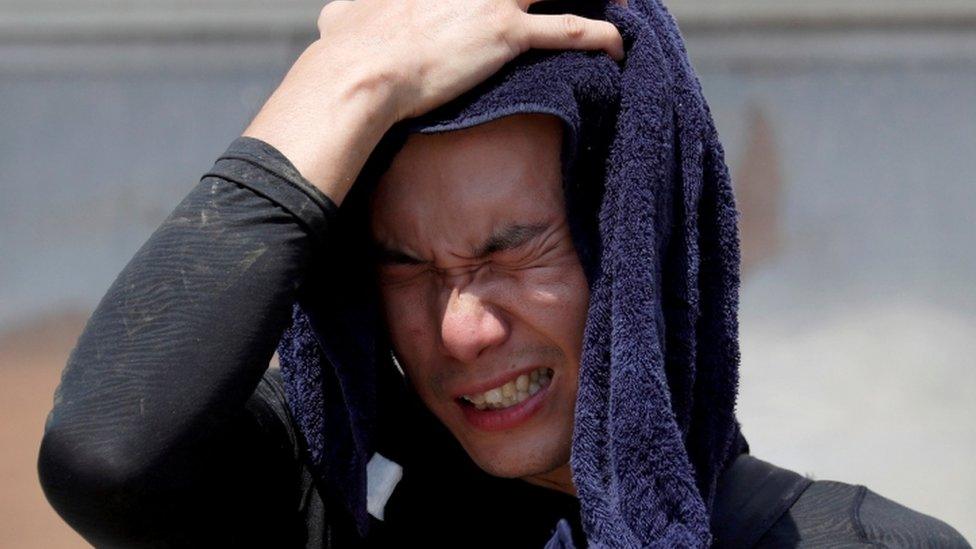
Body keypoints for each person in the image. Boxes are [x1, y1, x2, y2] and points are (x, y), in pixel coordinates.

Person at [37, 0, 969, 547]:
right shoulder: (317, 505)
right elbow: (108, 458)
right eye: (407, 265)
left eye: (512, 249)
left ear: (639, 248)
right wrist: (347, 79)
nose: (462, 330)